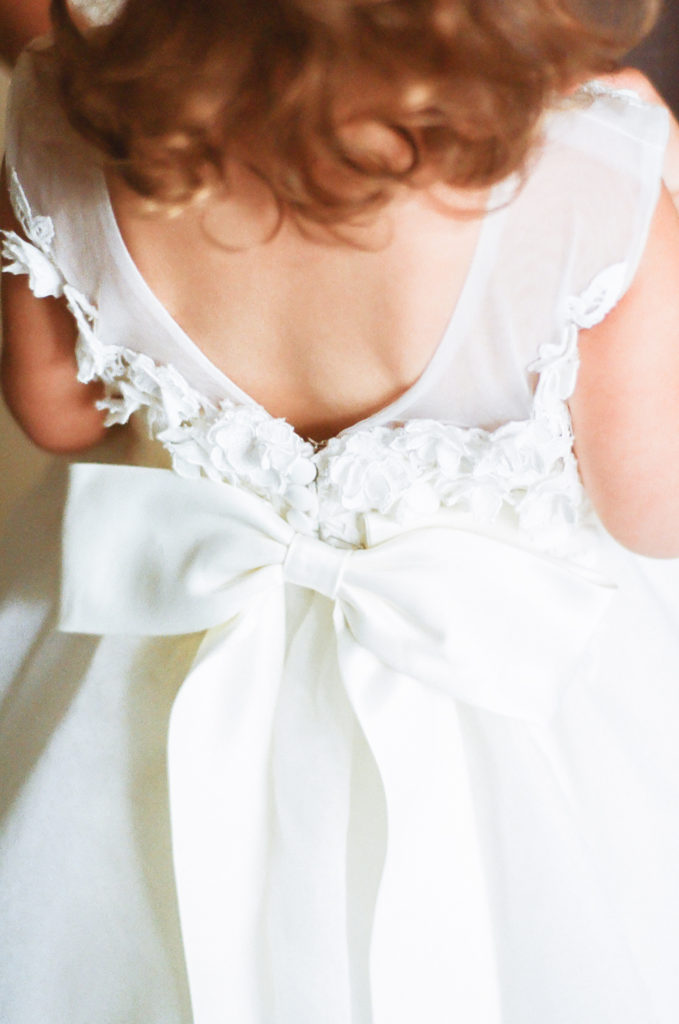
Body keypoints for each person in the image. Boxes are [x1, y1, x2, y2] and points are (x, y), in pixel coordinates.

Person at [2, 1, 679, 1022]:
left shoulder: (57, 121)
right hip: (507, 694)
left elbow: (55, 414)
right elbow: (655, 508)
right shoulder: (593, 177)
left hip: (146, 643)